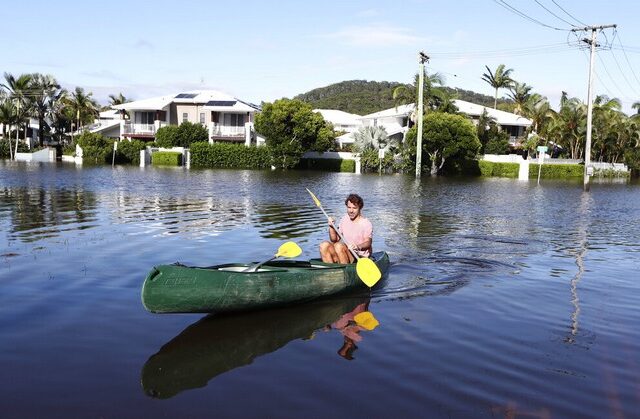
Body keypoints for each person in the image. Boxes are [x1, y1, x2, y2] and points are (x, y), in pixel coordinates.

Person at [319, 193, 373, 264]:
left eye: (354, 208)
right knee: (324, 245)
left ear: (360, 208)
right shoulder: (344, 219)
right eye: (349, 207)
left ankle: (344, 271)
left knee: (338, 246)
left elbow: (368, 243)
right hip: (347, 252)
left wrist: (357, 247)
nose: (351, 211)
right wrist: (331, 227)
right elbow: (334, 239)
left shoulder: (366, 223)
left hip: (360, 257)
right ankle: (331, 270)